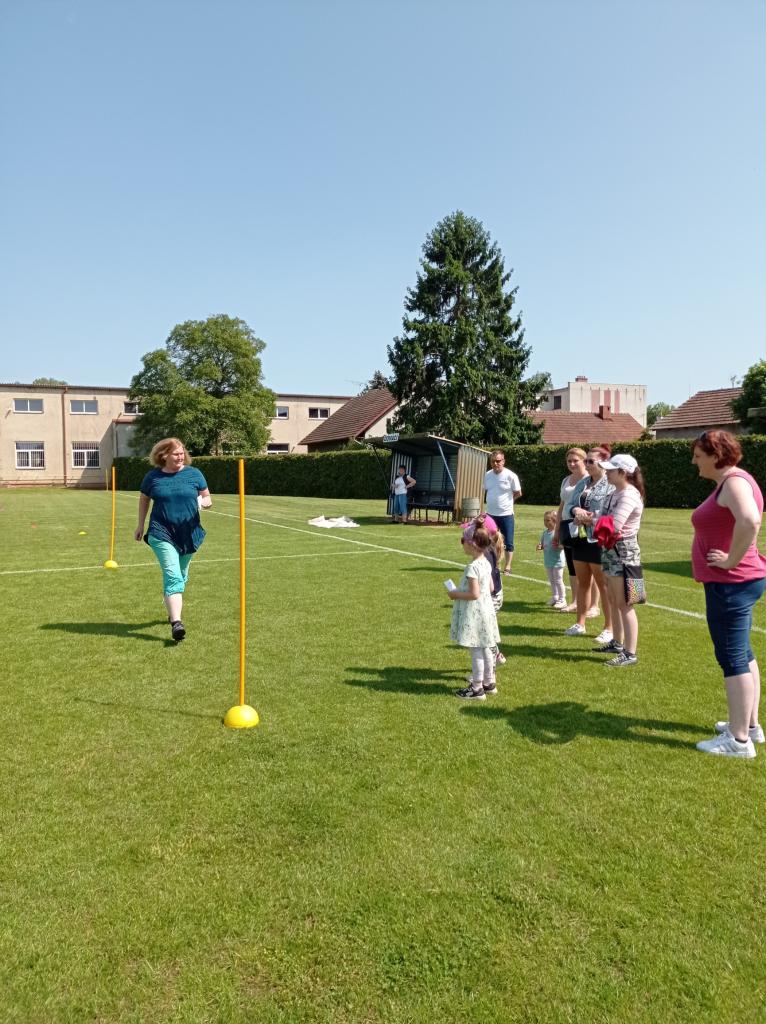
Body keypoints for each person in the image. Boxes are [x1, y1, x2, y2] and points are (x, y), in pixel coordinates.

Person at [690, 430, 766, 759]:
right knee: (742, 654)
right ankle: (749, 725)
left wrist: (731, 560)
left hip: (731, 583)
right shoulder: (733, 482)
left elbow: (750, 520)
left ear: (716, 455)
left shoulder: (734, 482)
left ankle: (738, 741)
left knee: (732, 658)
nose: (694, 461)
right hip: (736, 582)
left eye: (698, 455)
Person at [135, 438, 211, 642]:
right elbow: (144, 499)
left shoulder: (194, 474)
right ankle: (176, 623)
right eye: (175, 453)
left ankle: (171, 606)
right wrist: (140, 525)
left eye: (182, 452)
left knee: (181, 575)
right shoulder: (153, 477)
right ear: (163, 456)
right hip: (161, 532)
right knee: (173, 575)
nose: (180, 456)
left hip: (189, 532)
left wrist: (204, 502)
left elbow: (207, 497)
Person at [597, 454, 645, 667]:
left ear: (623, 473)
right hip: (611, 549)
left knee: (625, 602)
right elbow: (604, 520)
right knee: (613, 599)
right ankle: (617, 643)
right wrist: (593, 519)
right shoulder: (614, 492)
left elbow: (614, 525)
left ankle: (629, 653)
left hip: (625, 552)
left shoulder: (629, 494)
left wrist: (588, 518)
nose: (606, 473)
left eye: (611, 470)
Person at [564, 446, 614, 643]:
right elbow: (570, 505)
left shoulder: (610, 484)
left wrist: (590, 518)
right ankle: (580, 623)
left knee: (603, 585)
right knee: (582, 582)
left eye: (590, 461)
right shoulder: (583, 482)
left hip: (598, 539)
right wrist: (576, 511)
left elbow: (611, 511)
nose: (587, 464)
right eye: (586, 461)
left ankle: (609, 627)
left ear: (603, 463)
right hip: (580, 537)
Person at [449, 522, 500, 700]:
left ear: (472, 544)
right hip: (487, 611)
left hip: (475, 614)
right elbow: (491, 587)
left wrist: (455, 594)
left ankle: (477, 688)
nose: (461, 543)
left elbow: (474, 594)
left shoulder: (472, 567)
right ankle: (489, 683)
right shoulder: (486, 562)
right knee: (486, 647)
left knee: (476, 649)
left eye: (463, 540)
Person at [553, 447, 598, 614]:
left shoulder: (589, 480)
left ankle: (594, 605)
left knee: (591, 567)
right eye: (569, 461)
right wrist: (557, 530)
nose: (572, 464)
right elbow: (562, 506)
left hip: (584, 526)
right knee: (572, 566)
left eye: (575, 461)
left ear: (584, 461)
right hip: (568, 526)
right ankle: (575, 601)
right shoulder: (566, 480)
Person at [483, 450, 522, 576]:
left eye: (498, 461)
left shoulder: (511, 476)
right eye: (493, 461)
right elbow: (486, 491)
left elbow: (518, 492)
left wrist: (509, 502)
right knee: (490, 541)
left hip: (506, 514)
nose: (495, 463)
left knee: (508, 542)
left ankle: (508, 566)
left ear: (503, 461)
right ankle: (494, 564)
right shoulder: (487, 475)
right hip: (490, 515)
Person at [538, 509, 567, 608]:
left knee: (558, 580)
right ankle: (555, 596)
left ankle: (562, 599)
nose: (545, 522)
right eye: (544, 520)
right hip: (548, 561)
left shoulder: (557, 533)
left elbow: (563, 545)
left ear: (555, 521)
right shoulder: (545, 533)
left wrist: (559, 546)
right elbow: (542, 544)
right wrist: (540, 546)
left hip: (557, 561)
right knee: (552, 580)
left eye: (548, 520)